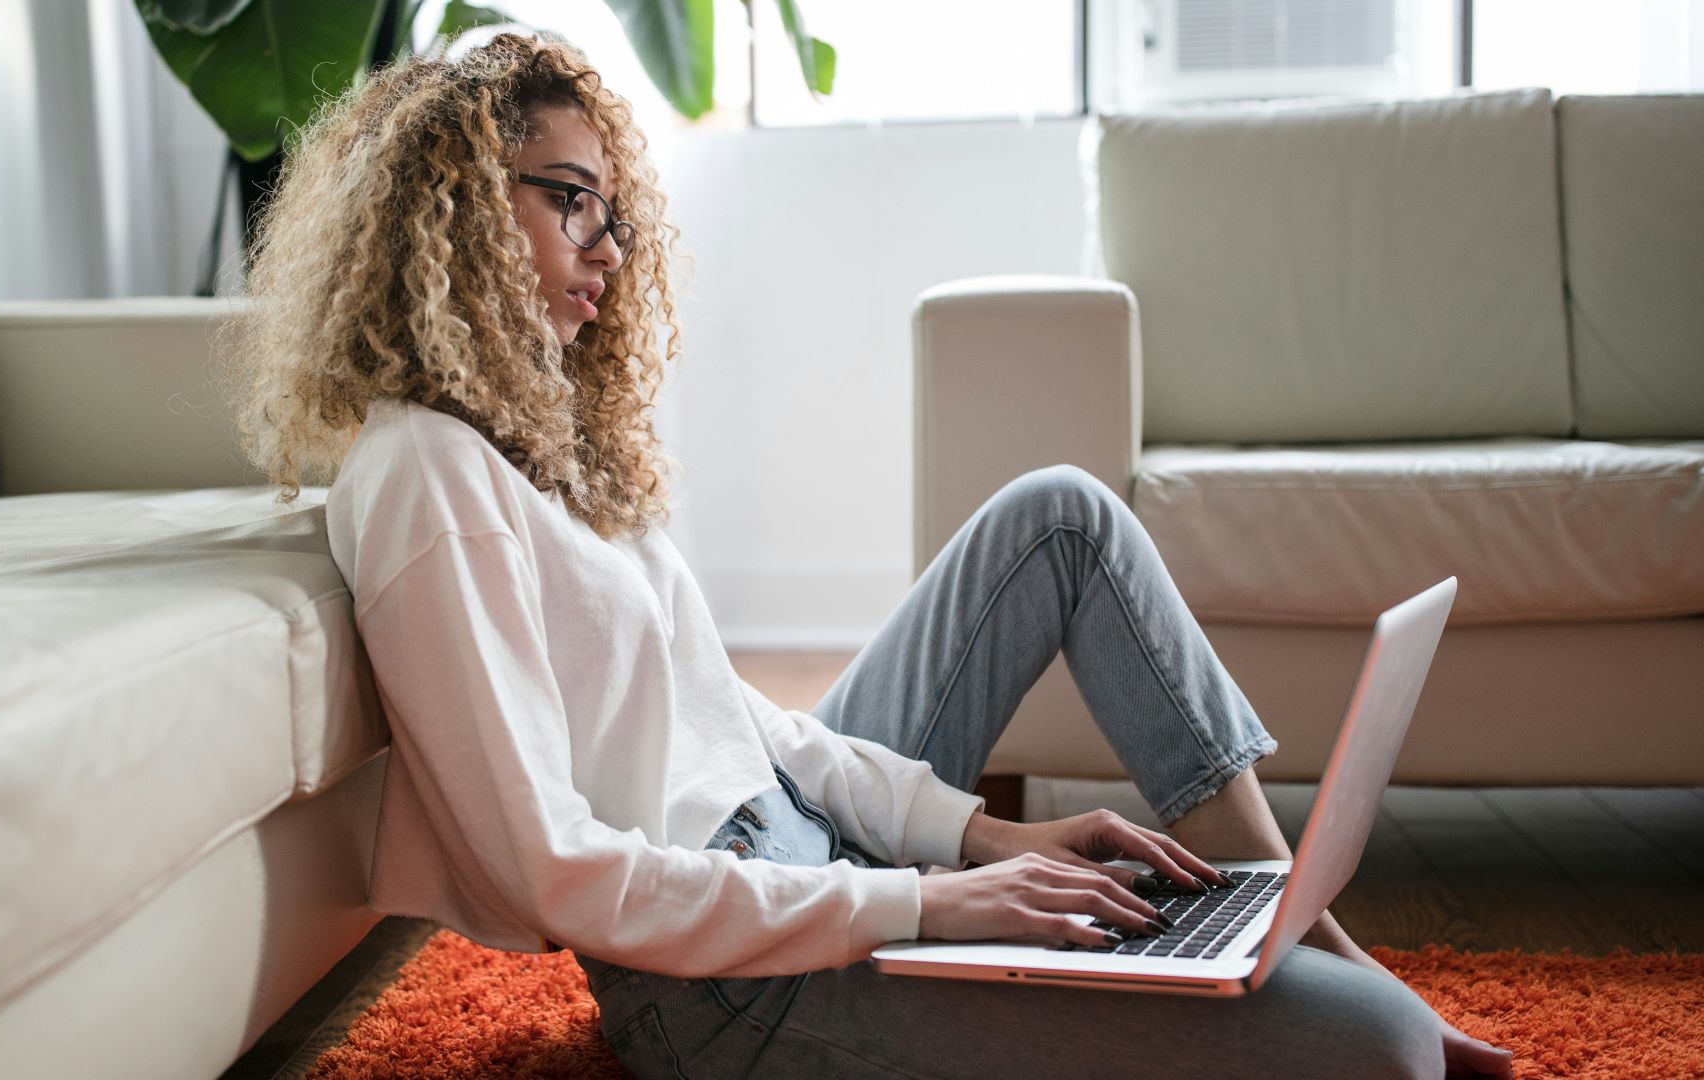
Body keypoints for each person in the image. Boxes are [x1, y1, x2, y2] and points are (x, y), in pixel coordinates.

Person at [227, 32, 1513, 1080]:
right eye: (572, 203)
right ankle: (1338, 983)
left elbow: (741, 725)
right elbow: (553, 869)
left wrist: (969, 840)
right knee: (1383, 1055)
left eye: (614, 213)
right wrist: (920, 905)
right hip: (718, 990)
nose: (609, 252)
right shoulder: (422, 474)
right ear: (451, 213)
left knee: (1061, 514)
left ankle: (1293, 927)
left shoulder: (543, 447)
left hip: (806, 857)